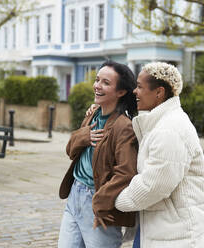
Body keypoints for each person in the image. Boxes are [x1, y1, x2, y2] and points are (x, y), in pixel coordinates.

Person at [113, 62, 204, 247]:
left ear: (159, 93)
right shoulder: (160, 123)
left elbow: (154, 185)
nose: (135, 91)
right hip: (158, 227)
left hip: (177, 235)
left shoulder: (170, 129)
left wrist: (115, 199)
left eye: (140, 87)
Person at [58, 60, 138, 248]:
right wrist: (83, 136)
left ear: (121, 92)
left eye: (106, 83)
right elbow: (70, 151)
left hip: (98, 203)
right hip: (74, 197)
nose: (97, 86)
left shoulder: (124, 126)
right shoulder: (92, 114)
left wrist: (100, 202)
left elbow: (126, 173)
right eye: (97, 80)